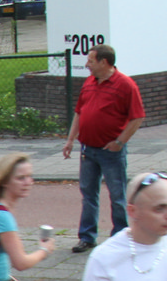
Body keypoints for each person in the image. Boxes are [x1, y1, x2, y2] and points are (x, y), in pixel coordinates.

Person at [62, 46, 144, 253]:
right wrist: (70, 140)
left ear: (104, 62)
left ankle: (120, 237)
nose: (87, 65)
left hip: (111, 152)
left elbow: (137, 117)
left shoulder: (126, 85)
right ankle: (87, 237)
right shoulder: (89, 83)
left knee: (117, 196)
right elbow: (79, 112)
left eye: (91, 61)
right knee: (88, 194)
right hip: (88, 149)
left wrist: (120, 142)